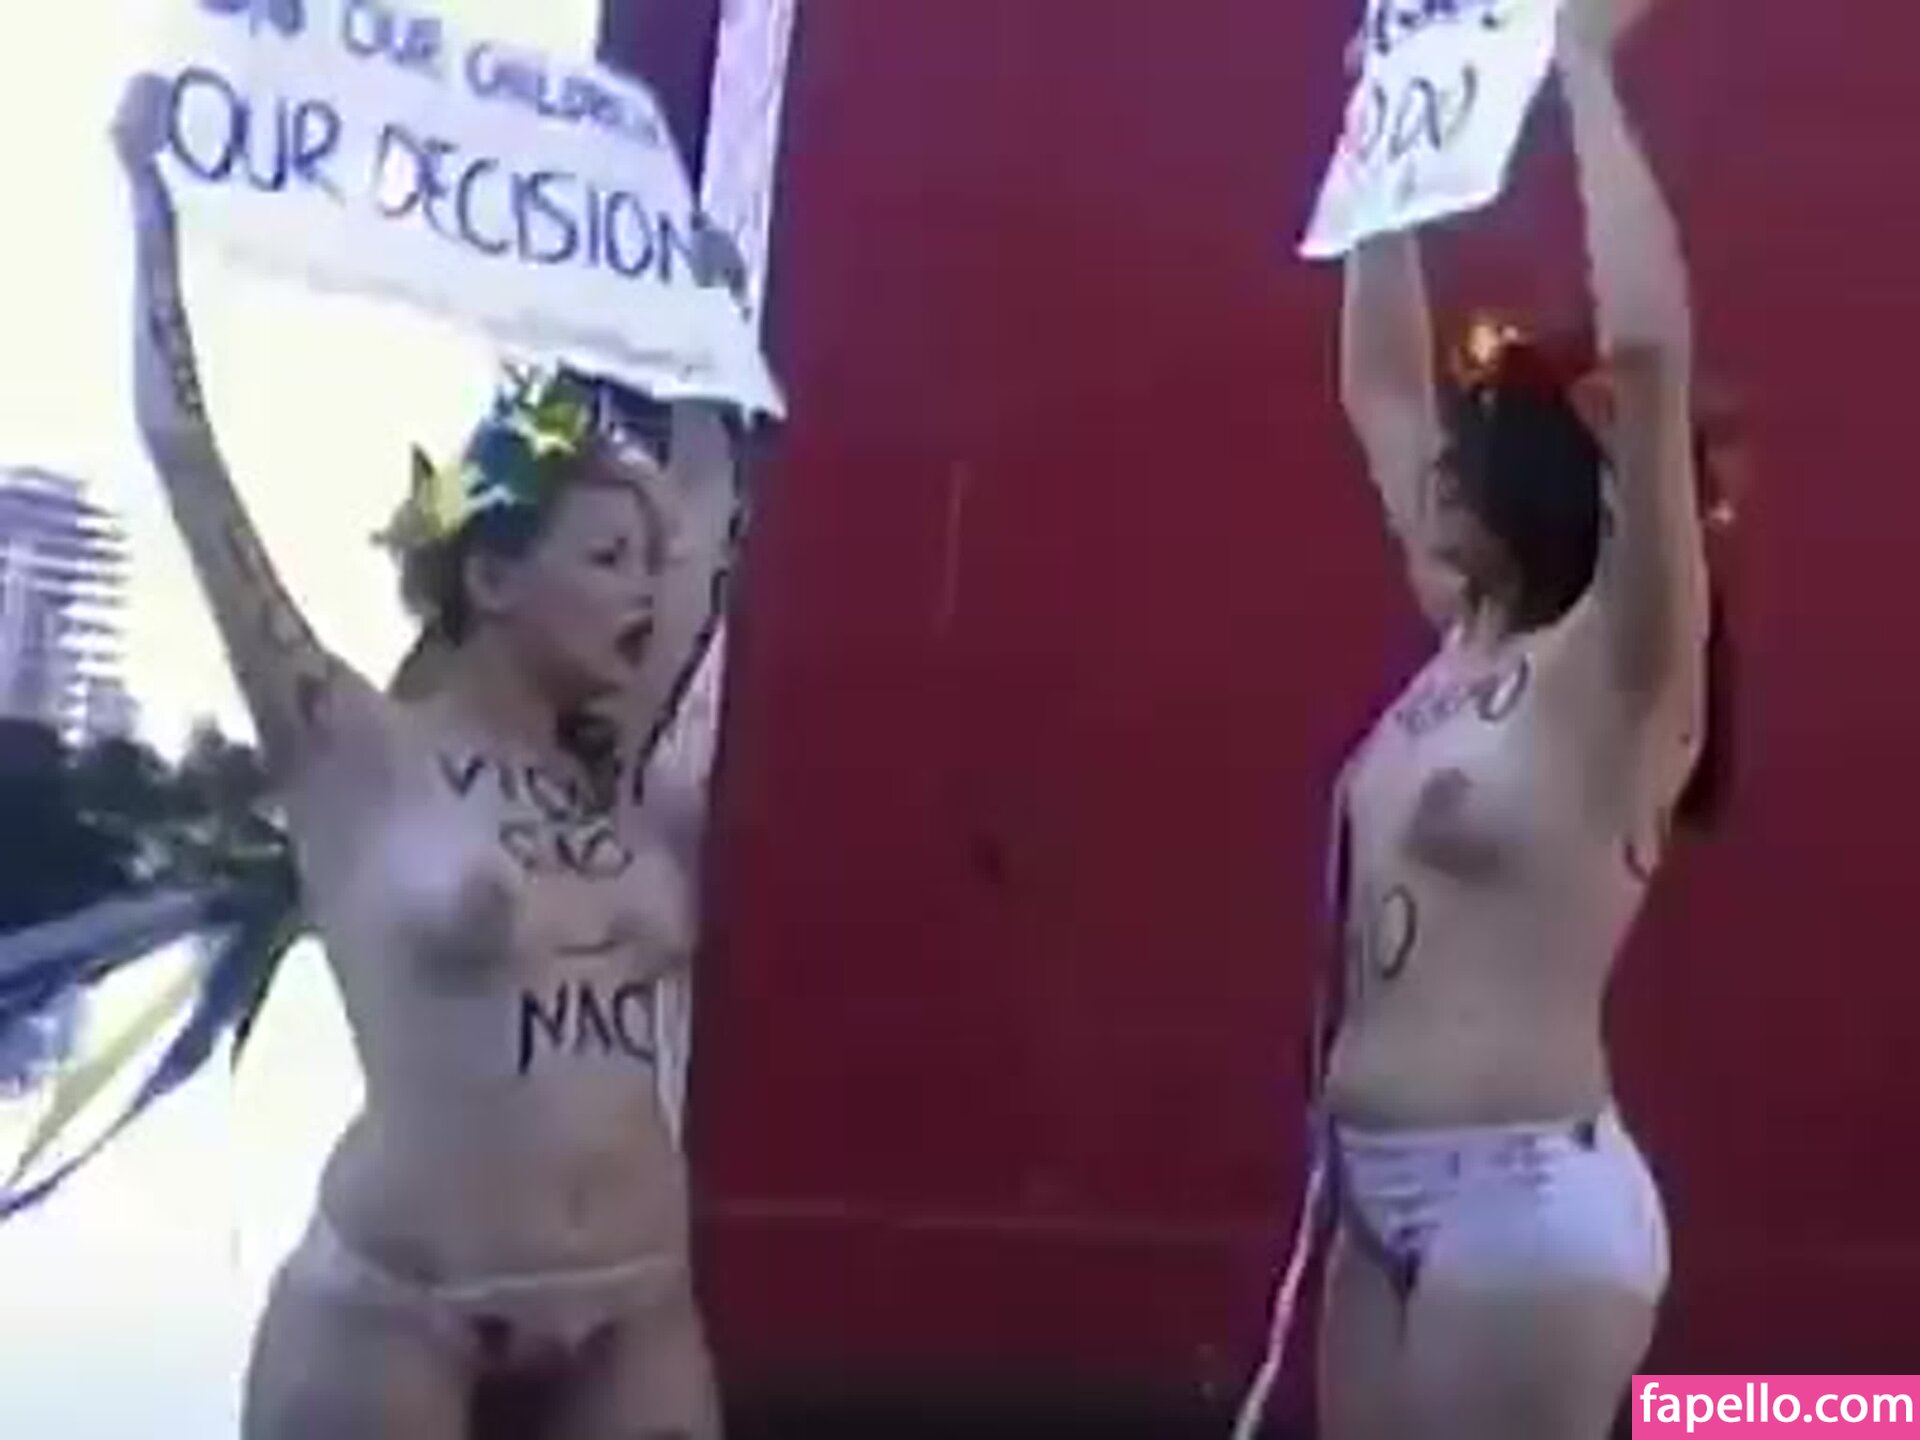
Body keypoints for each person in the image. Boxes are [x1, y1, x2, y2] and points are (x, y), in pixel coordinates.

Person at [111, 72, 746, 1440]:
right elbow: (186, 457)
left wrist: (703, 331)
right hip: (397, 1314)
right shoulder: (348, 750)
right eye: (608, 559)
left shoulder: (605, 755)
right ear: (497, 580)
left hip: (635, 1303)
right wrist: (151, 210)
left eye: (646, 566)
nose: (648, 593)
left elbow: (705, 512)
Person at [1314, 2, 1738, 1436]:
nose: (1435, 465)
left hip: (1522, 1207)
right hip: (1371, 1192)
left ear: (1548, 488)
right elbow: (1378, 383)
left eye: (1469, 456)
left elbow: (1651, 363)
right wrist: (1383, 142)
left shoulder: (1620, 669)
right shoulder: (1460, 635)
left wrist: (1582, 73)